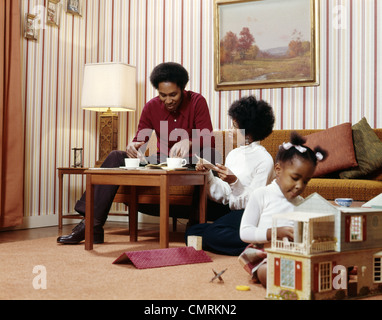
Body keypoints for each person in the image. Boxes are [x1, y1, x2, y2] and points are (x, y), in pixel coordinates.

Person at [57, 62, 215, 245]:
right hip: (160, 162)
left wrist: (190, 141)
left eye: (173, 95)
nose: (168, 100)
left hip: (190, 162)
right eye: (163, 95)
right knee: (116, 155)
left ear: (183, 89)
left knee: (208, 159)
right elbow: (141, 137)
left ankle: (194, 227)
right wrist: (133, 146)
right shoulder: (152, 106)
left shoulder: (197, 101)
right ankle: (91, 226)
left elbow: (209, 139)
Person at [185, 96, 275, 256]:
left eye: (234, 126)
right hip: (233, 212)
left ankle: (261, 241)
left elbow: (255, 202)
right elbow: (225, 196)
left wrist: (235, 182)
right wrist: (207, 173)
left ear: (248, 131)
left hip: (254, 214)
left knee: (211, 234)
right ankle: (254, 241)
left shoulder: (264, 160)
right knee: (192, 231)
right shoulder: (234, 154)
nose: (229, 130)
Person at [238, 132, 328, 287]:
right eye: (295, 178)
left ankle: (306, 277)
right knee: (265, 271)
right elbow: (244, 232)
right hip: (267, 253)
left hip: (296, 254)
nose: (300, 186)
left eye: (306, 181)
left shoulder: (303, 203)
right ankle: (291, 280)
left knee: (327, 264)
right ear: (278, 170)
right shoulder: (261, 195)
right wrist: (274, 232)